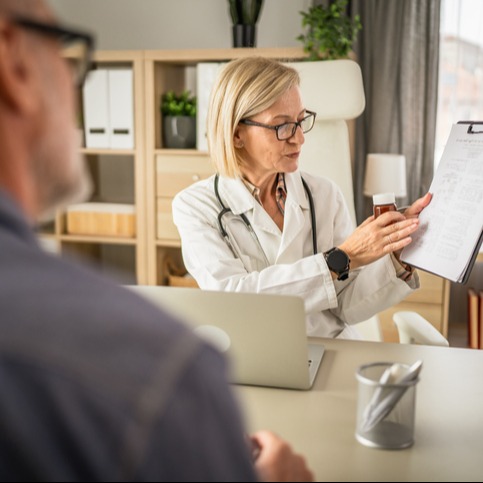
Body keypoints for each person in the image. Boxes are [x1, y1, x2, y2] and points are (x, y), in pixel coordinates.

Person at [0, 1, 314, 480]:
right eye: (67, 55)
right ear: (14, 66)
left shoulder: (318, 192)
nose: (75, 84)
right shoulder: (161, 377)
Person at [173, 56, 432, 339]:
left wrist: (396, 256)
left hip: (333, 348)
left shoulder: (324, 194)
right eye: (282, 126)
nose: (299, 139)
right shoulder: (195, 207)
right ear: (237, 134)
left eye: (300, 121)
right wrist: (343, 258)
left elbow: (347, 306)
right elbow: (235, 300)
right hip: (260, 355)